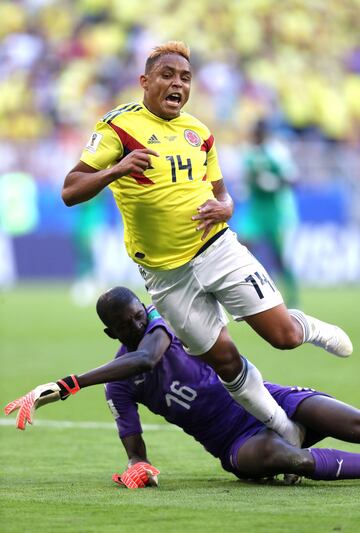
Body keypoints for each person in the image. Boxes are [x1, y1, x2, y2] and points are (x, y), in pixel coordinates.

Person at [61, 40, 352, 447]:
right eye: (167, 75)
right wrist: (117, 169)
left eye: (185, 77)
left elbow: (222, 195)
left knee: (283, 336)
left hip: (216, 248)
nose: (177, 83)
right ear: (145, 81)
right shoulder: (117, 127)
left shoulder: (199, 132)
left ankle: (313, 329)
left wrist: (226, 208)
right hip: (167, 275)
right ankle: (285, 431)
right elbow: (70, 190)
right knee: (224, 361)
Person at [4, 287, 360, 489]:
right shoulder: (120, 389)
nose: (138, 323)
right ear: (111, 334)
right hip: (235, 442)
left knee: (352, 424)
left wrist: (70, 384)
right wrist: (138, 465)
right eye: (126, 325)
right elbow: (134, 446)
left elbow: (147, 357)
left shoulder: (165, 320)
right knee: (292, 459)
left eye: (139, 315)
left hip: (269, 397)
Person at [239, 119, 299, 307]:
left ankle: (294, 299)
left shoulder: (276, 152)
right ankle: (248, 291)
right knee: (241, 246)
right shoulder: (249, 152)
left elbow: (293, 179)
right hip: (256, 210)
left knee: (281, 258)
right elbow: (248, 178)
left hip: (277, 211)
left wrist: (275, 182)